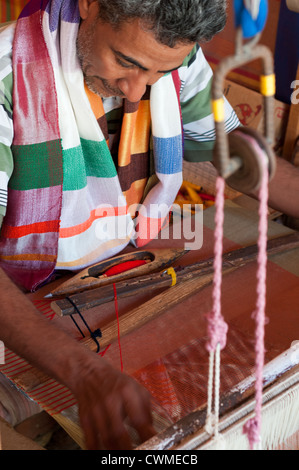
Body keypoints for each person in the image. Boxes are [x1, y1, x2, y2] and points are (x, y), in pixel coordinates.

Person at [0, 0, 298, 450]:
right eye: (125, 62)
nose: (138, 92)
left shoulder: (174, 59)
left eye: (158, 74)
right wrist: (82, 371)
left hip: (118, 265)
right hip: (22, 293)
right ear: (91, 4)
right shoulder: (9, 76)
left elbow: (227, 151)